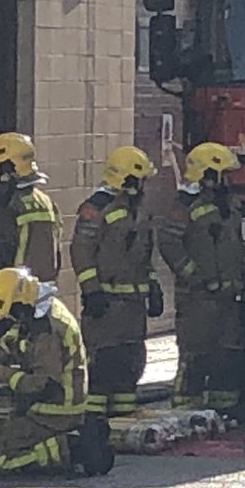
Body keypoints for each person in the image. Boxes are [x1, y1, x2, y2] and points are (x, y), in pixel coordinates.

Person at [158, 142, 245, 416]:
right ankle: (186, 410)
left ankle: (224, 411)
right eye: (223, 173)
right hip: (198, 299)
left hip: (228, 298)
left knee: (227, 355)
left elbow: (236, 243)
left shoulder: (229, 204)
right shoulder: (184, 206)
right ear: (208, 174)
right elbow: (168, 242)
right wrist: (194, 276)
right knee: (196, 356)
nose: (228, 179)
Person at [70, 146, 164, 417]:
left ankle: (124, 422)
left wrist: (153, 285)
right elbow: (81, 250)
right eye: (141, 179)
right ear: (129, 179)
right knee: (103, 366)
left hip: (133, 308)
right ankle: (95, 426)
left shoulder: (139, 210)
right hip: (108, 306)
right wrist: (91, 291)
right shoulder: (96, 208)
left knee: (130, 365)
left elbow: (145, 253)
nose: (145, 184)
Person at [0, 266, 89, 472]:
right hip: (45, 406)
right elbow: (15, 339)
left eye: (11, 312)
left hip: (56, 411)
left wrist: (5, 375)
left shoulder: (46, 328)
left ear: (19, 303)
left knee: (1, 455)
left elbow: (44, 384)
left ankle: (67, 448)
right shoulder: (36, 313)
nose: (11, 319)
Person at [0, 132, 62, 363]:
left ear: (7, 169)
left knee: (7, 365)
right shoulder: (45, 201)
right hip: (39, 297)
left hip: (9, 299)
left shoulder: (8, 207)